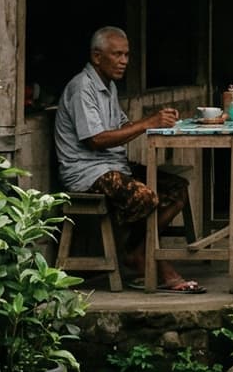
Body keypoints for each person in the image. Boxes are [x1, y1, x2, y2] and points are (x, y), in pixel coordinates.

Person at [53, 26, 200, 291]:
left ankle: (138, 251)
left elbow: (124, 126)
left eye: (126, 55)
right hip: (87, 173)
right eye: (117, 55)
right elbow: (95, 140)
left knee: (177, 189)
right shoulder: (82, 88)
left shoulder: (107, 87)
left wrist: (160, 120)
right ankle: (149, 261)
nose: (124, 62)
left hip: (113, 167)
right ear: (97, 57)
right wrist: (146, 123)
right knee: (145, 197)